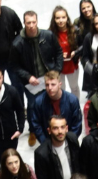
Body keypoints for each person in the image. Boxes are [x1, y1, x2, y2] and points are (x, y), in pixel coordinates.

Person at [10, 11, 64, 148]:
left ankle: (53, 126)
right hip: (32, 83)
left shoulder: (48, 35)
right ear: (24, 23)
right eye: (28, 23)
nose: (32, 25)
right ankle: (33, 130)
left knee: (53, 102)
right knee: (33, 106)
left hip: (48, 77)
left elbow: (58, 52)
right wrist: (28, 77)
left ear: (37, 21)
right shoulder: (18, 43)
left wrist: (56, 70)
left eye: (34, 22)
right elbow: (14, 66)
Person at [34, 115, 82, 179]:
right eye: (55, 128)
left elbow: (80, 164)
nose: (60, 131)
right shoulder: (41, 153)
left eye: (62, 127)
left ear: (66, 128)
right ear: (49, 130)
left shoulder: (72, 139)